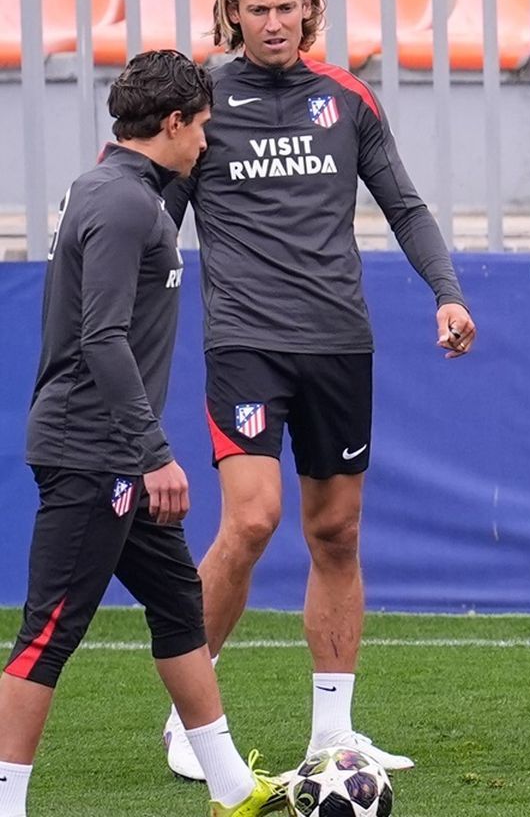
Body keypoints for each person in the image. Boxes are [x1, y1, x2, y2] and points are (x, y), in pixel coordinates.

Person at [160, 0, 475, 779]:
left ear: (310, 11)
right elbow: (152, 217)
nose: (272, 22)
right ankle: (190, 722)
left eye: (286, 7)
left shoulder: (347, 100)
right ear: (232, 13)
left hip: (339, 344)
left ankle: (332, 731)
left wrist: (446, 292)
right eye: (256, 9)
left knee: (337, 533)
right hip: (246, 345)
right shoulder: (201, 105)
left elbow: (403, 205)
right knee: (253, 519)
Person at [1, 52, 285, 817]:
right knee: (47, 636)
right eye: (202, 126)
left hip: (106, 447)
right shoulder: (126, 205)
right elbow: (102, 339)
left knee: (179, 607)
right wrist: (154, 454)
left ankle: (230, 787)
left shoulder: (106, 186)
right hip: (93, 452)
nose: (205, 142)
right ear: (171, 124)